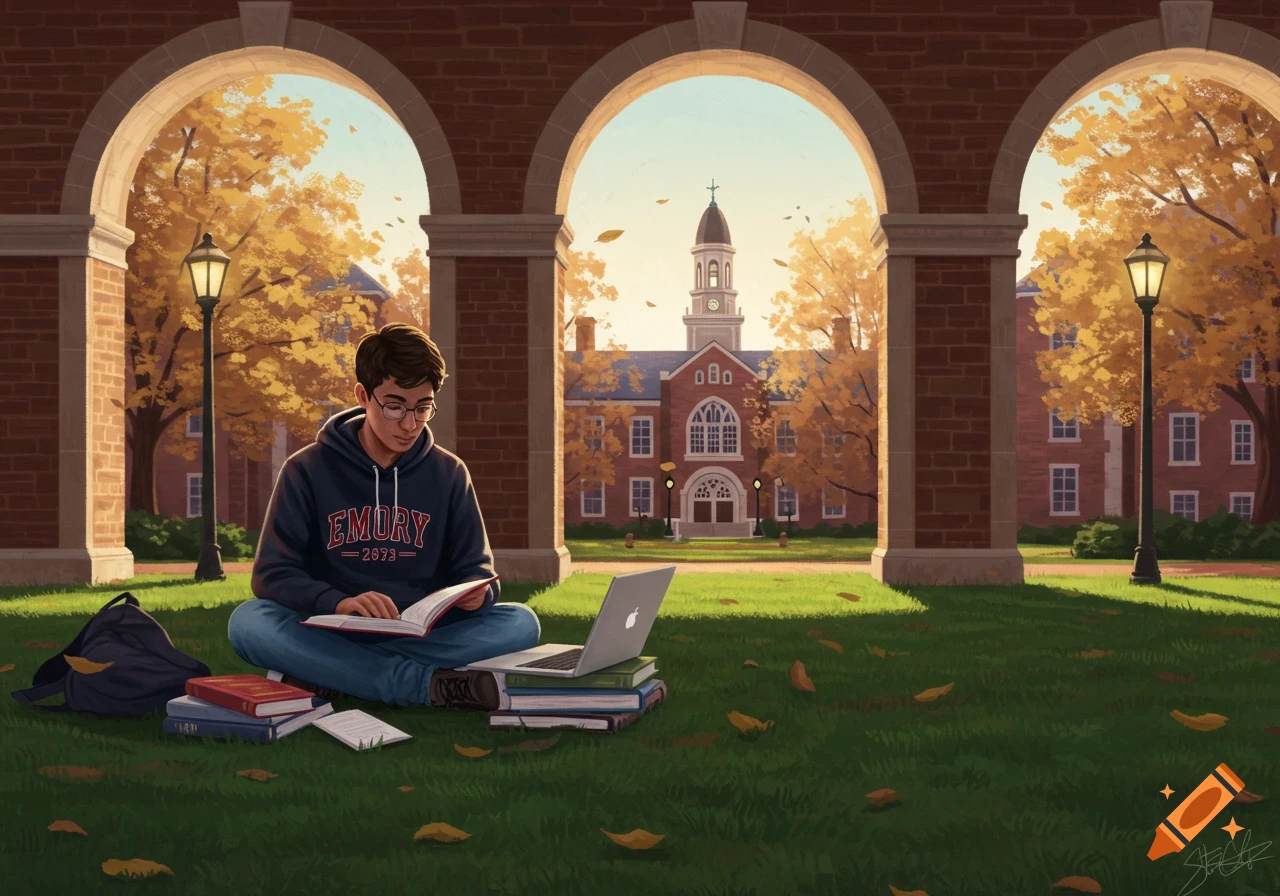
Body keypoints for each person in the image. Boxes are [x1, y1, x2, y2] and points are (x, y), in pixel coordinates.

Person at [226, 323, 539, 710]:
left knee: (521, 622)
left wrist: (478, 594)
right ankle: (423, 686)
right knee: (249, 623)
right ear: (363, 396)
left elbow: (476, 570)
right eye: (394, 406)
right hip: (333, 630)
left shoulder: (449, 473)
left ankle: (335, 675)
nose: (409, 424)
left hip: (423, 634)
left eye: (422, 408)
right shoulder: (305, 469)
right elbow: (272, 574)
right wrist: (338, 602)